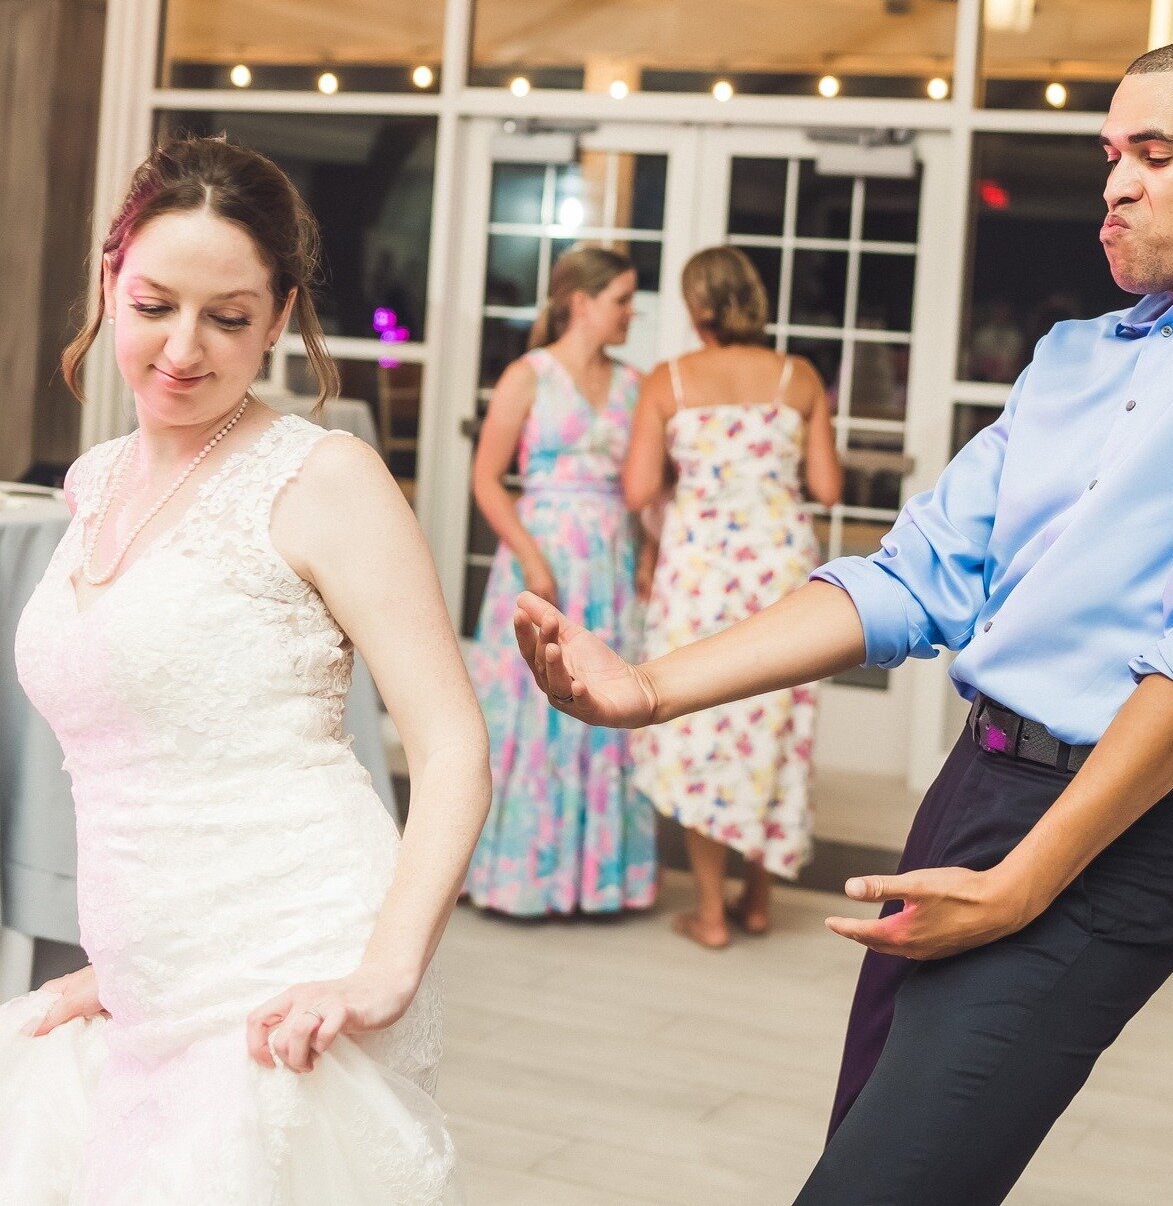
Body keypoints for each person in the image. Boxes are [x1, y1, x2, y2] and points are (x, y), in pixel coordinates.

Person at [512, 34, 1173, 1203]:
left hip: (1125, 824)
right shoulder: (1070, 359)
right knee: (866, 1148)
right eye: (1110, 154)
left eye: (1155, 154)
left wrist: (1027, 880)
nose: (1116, 181)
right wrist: (649, 688)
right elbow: (915, 579)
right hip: (977, 789)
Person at [0, 135, 490, 1204]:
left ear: (278, 318)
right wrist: (128, 968)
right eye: (154, 304)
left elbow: (452, 745)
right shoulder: (93, 481)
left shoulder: (325, 479)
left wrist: (387, 970)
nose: (182, 347)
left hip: (292, 958)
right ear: (109, 285)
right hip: (143, 979)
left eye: (227, 317)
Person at [623, 247, 842, 948]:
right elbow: (828, 488)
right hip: (778, 568)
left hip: (699, 572)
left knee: (698, 725)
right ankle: (757, 899)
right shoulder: (797, 376)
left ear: (698, 307)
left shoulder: (670, 380)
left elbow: (635, 489)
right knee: (769, 721)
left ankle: (710, 910)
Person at [466, 247, 657, 917]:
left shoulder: (635, 384)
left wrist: (643, 551)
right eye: (622, 299)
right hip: (540, 551)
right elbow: (486, 478)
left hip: (605, 557)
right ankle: (517, 876)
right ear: (581, 301)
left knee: (601, 702)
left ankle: (596, 880)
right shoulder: (529, 375)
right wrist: (528, 555)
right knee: (529, 710)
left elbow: (641, 487)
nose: (632, 312)